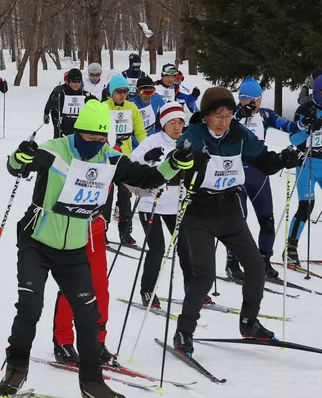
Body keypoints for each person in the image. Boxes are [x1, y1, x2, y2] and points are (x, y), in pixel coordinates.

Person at [0, 99, 192, 398]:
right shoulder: (55, 150)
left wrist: (174, 164)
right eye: (90, 136)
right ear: (78, 131)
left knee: (89, 317)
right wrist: (19, 157)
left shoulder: (110, 158)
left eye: (102, 137)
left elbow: (148, 179)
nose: (96, 143)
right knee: (30, 307)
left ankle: (92, 383)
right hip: (37, 242)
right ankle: (17, 367)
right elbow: (19, 167)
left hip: (74, 248)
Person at [172, 87, 304, 356]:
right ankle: (184, 331)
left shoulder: (239, 134)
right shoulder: (192, 136)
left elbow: (263, 161)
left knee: (255, 265)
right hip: (199, 212)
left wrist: (283, 159)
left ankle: (248, 322)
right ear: (206, 115)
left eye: (228, 115)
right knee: (204, 275)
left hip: (230, 210)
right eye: (217, 115)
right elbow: (175, 169)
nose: (223, 122)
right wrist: (188, 163)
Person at [225, 76, 303, 281]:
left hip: (259, 175)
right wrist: (237, 116)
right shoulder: (230, 115)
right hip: (236, 176)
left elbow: (289, 127)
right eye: (250, 100)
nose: (255, 104)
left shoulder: (265, 115)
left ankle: (264, 260)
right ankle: (232, 262)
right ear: (241, 99)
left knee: (267, 220)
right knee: (238, 222)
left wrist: (305, 123)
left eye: (258, 99)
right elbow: (218, 131)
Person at [128, 102, 193, 308]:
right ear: (163, 123)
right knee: (157, 249)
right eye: (172, 123)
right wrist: (146, 157)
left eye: (180, 122)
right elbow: (132, 160)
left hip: (176, 203)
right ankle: (147, 290)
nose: (177, 127)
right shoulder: (152, 140)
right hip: (151, 202)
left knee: (186, 248)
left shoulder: (187, 141)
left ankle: (193, 289)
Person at [103, 73, 149, 246]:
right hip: (107, 158)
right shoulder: (104, 107)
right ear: (111, 92)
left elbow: (140, 131)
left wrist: (147, 149)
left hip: (125, 158)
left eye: (125, 91)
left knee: (125, 196)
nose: (123, 94)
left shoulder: (132, 107)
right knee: (106, 197)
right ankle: (102, 231)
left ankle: (125, 232)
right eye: (119, 91)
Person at [286, 75, 322, 269]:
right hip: (306, 162)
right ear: (315, 92)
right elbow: (293, 139)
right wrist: (308, 130)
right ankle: (291, 248)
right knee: (306, 206)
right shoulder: (304, 110)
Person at [43, 68, 86, 139]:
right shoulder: (60, 90)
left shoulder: (81, 92)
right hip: (58, 117)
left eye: (78, 81)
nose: (76, 83)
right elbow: (49, 104)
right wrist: (46, 114)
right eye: (65, 79)